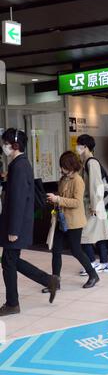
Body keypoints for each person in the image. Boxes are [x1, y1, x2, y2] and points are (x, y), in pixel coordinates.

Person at [0, 128, 59, 316]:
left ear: (14, 145)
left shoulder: (18, 166)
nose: (4, 147)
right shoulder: (21, 164)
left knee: (8, 261)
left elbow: (18, 199)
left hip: (16, 225)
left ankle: (12, 304)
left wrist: (14, 229)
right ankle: (49, 281)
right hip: (18, 223)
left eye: (6, 143)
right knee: (11, 260)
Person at [44, 151, 99, 291]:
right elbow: (62, 197)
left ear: (71, 166)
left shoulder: (78, 181)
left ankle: (93, 275)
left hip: (74, 221)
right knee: (56, 250)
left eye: (63, 166)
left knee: (76, 250)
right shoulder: (63, 179)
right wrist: (54, 199)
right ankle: (55, 283)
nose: (61, 169)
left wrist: (58, 199)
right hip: (61, 219)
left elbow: (77, 202)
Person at [76, 134, 108, 275]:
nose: (77, 147)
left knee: (84, 235)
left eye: (79, 145)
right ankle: (104, 263)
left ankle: (91, 262)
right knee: (99, 234)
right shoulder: (86, 162)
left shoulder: (91, 163)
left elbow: (96, 185)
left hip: (92, 205)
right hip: (94, 204)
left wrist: (94, 205)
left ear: (85, 147)